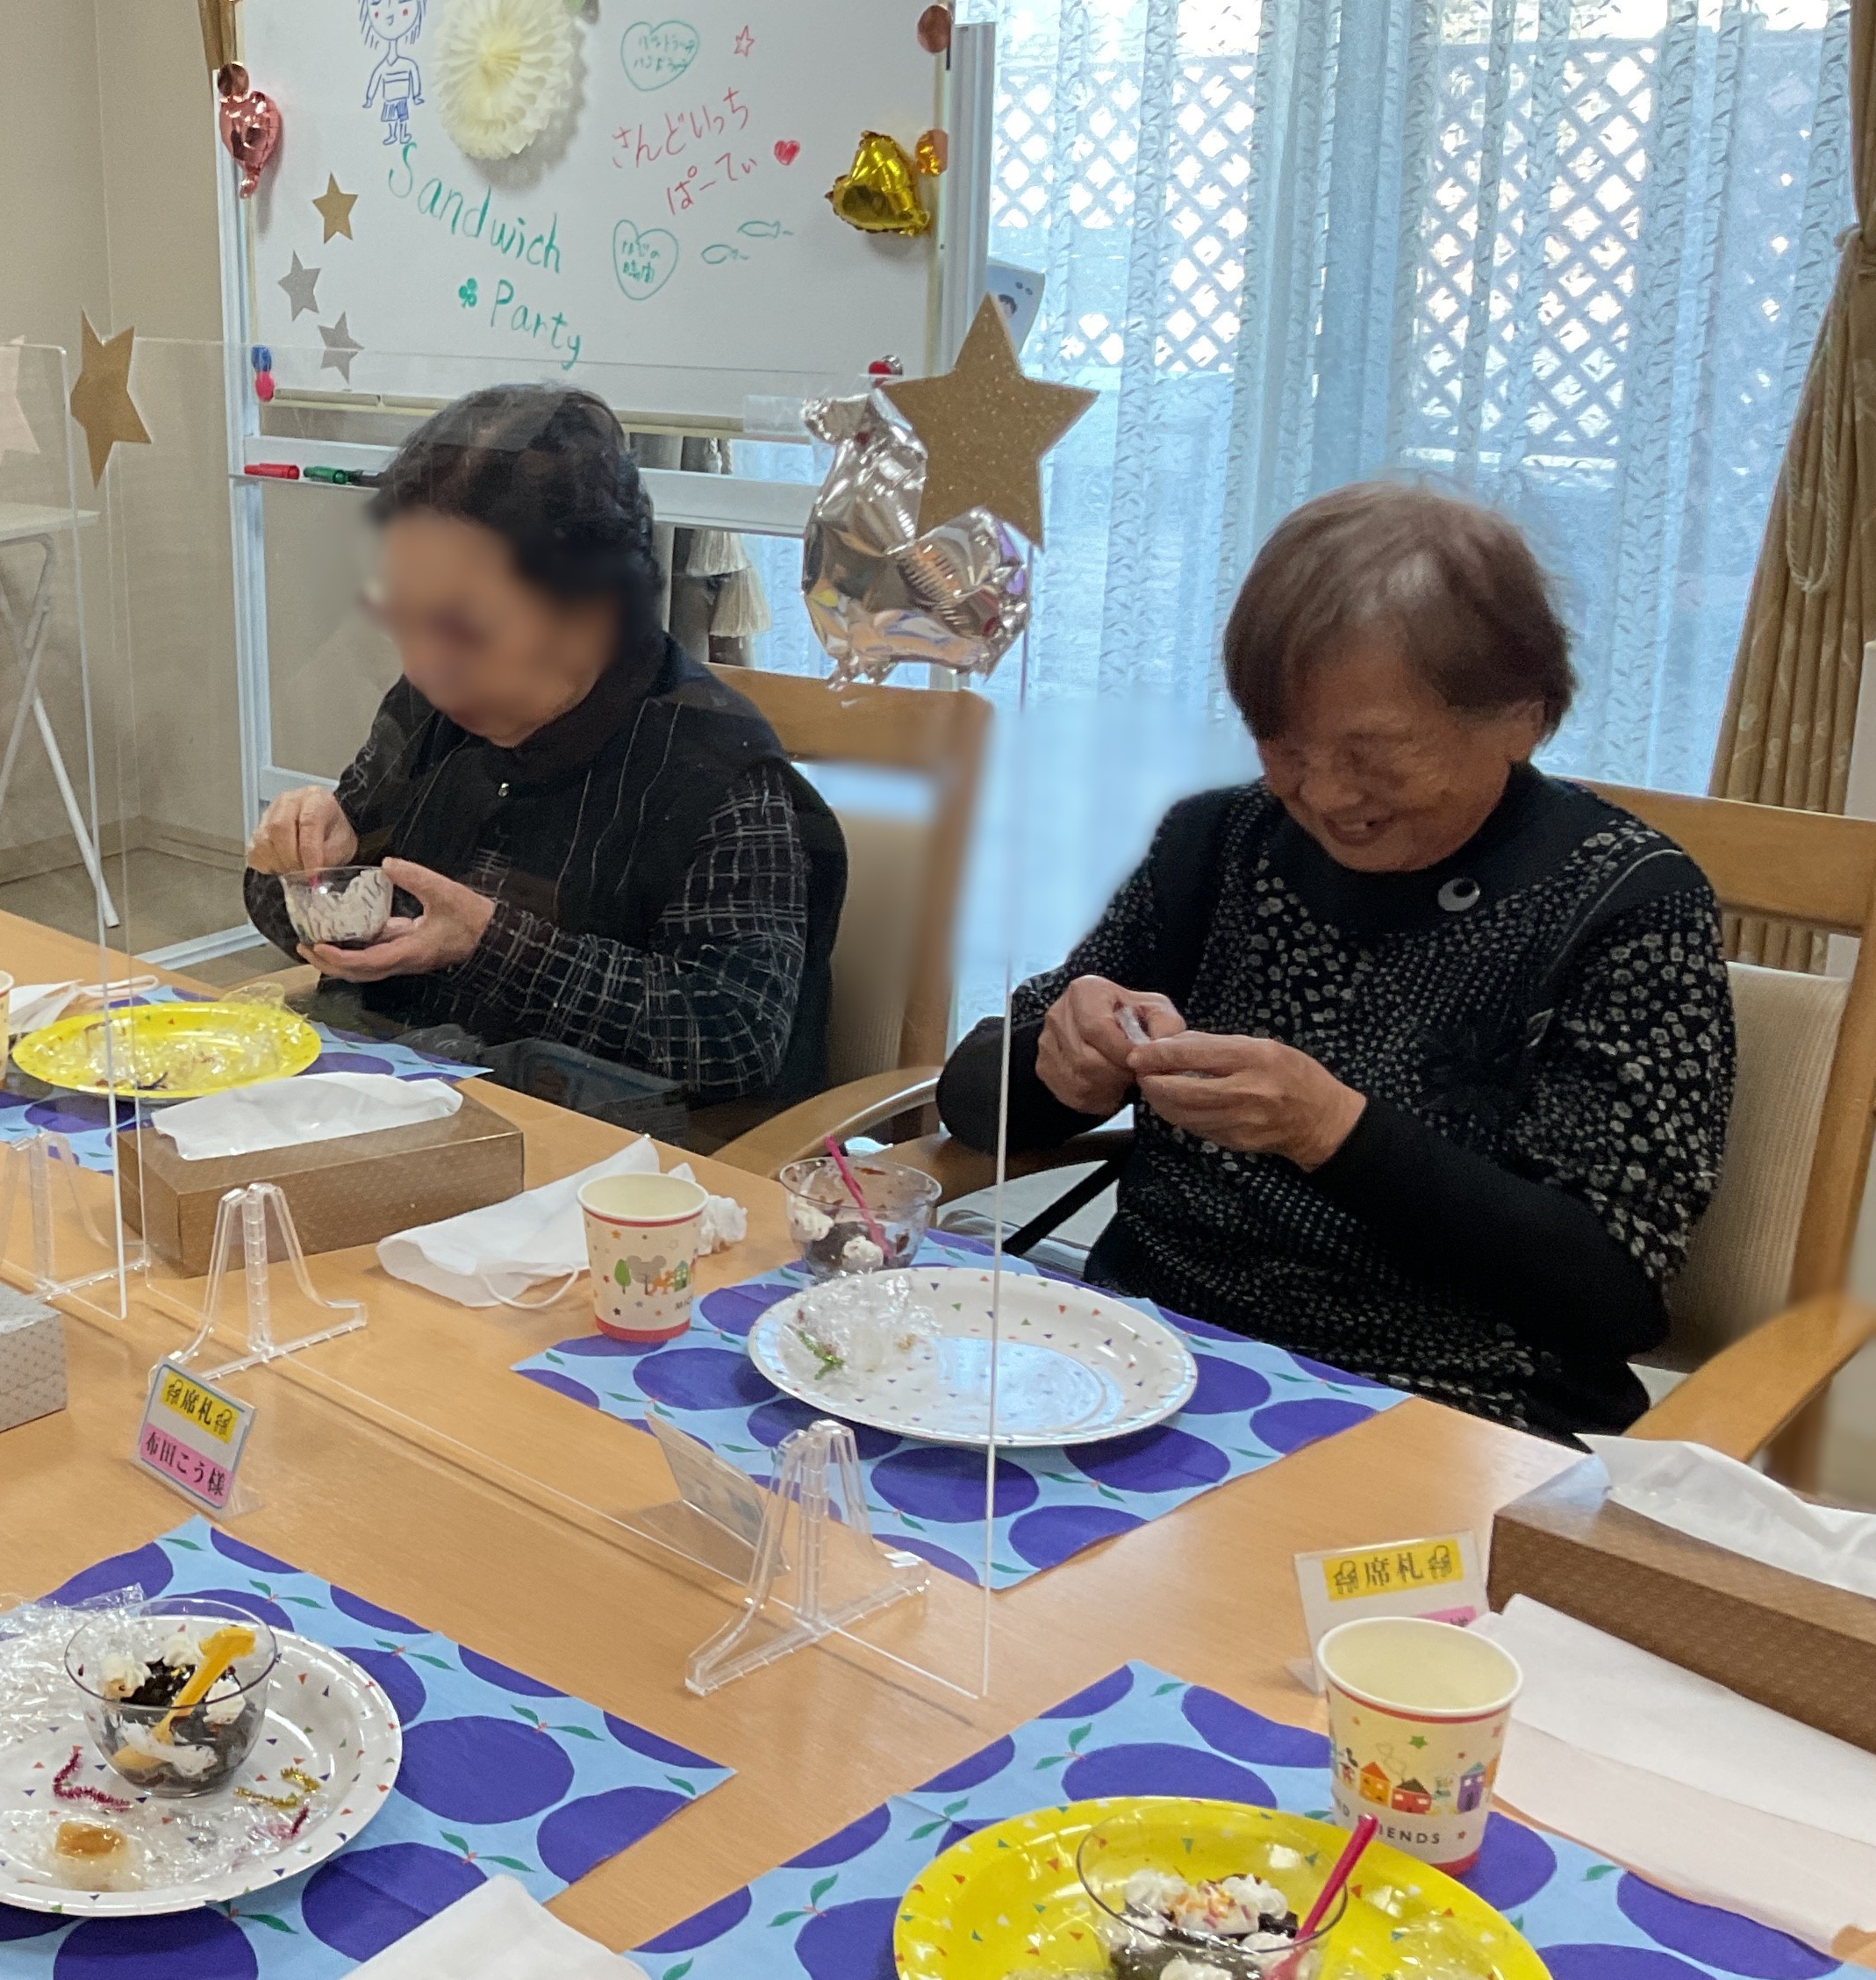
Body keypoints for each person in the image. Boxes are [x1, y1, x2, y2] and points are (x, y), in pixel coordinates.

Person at [935, 483, 1734, 1438]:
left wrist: (1332, 1131)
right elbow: (972, 1101)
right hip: (1144, 1364)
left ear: (1526, 715)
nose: (1321, 792)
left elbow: (1613, 1294)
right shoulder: (1220, 844)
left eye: (1375, 753)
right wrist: (1057, 1059)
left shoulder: (1630, 906)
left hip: (1446, 1414)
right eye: (1283, 744)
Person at [242, 385, 847, 1144]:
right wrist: (296, 868)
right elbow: (325, 912)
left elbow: (733, 1037)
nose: (426, 664)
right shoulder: (431, 707)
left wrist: (489, 943)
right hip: (406, 1114)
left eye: (463, 626)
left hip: (604, 1171)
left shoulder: (718, 775)